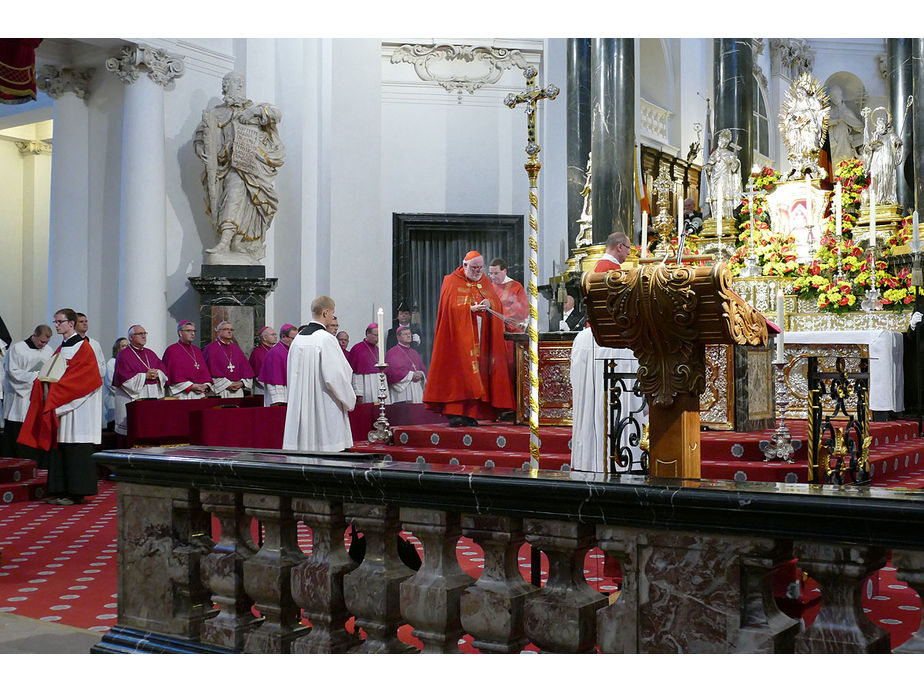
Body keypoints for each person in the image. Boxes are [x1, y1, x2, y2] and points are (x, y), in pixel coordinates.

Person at [194, 71, 286, 262]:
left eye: (240, 84)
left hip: (254, 166)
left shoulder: (254, 109)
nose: (237, 87)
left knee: (250, 205)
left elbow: (276, 113)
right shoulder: (217, 113)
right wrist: (200, 147)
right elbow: (202, 135)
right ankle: (225, 241)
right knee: (234, 195)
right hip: (231, 165)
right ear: (225, 88)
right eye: (232, 84)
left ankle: (236, 242)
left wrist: (253, 112)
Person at [18, 308, 102, 505]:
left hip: (77, 406)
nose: (56, 325)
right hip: (63, 403)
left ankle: (76, 492)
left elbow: (86, 379)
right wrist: (42, 383)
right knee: (61, 446)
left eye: (59, 322)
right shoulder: (62, 347)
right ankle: (61, 490)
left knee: (75, 448)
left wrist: (56, 393)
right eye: (55, 321)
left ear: (70, 323)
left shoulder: (83, 347)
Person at [423, 250, 514, 427]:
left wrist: (489, 303)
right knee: (459, 375)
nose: (478, 271)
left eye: (480, 268)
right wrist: (469, 310)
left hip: (481, 336)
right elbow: (449, 309)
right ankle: (456, 413)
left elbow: (495, 302)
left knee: (479, 374)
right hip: (458, 339)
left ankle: (472, 412)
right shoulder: (451, 281)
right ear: (465, 265)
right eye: (474, 268)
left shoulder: (484, 281)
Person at [283, 296, 356, 452]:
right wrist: (350, 400)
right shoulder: (326, 339)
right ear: (325, 313)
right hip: (324, 406)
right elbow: (335, 377)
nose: (332, 317)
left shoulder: (297, 340)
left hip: (301, 407)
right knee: (327, 452)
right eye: (332, 313)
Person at [2, 324, 53, 459]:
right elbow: (12, 372)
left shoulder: (49, 351)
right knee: (17, 437)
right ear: (34, 336)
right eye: (42, 341)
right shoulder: (18, 349)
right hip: (19, 398)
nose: (44, 345)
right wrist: (36, 377)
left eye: (47, 342)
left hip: (38, 398)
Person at [112, 325, 167, 437]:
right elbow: (123, 378)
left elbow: (163, 370)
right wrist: (144, 376)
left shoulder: (150, 353)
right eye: (140, 334)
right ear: (131, 337)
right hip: (134, 397)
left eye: (144, 333)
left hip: (151, 395)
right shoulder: (123, 355)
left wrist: (157, 374)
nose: (143, 336)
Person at [862, 107, 903, 206]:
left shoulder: (890, 135)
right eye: (879, 126)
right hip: (876, 161)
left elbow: (898, 142)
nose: (881, 127)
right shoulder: (875, 136)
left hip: (887, 159)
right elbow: (867, 150)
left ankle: (887, 198)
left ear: (885, 126)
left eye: (882, 126)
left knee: (887, 177)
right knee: (875, 176)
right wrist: (869, 148)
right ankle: (876, 199)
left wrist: (897, 143)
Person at [202, 321, 254, 398]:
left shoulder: (236, 348)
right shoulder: (211, 348)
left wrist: (242, 383)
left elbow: (246, 369)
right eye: (226, 329)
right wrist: (227, 384)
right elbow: (208, 370)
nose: (229, 331)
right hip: (221, 390)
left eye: (231, 329)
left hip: (237, 390)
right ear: (218, 332)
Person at [162, 322, 213, 399]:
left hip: (199, 394)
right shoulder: (172, 350)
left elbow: (204, 372)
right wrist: (191, 386)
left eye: (194, 331)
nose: (192, 333)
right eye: (188, 331)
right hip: (182, 395)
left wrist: (206, 385)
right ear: (180, 333)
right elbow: (172, 376)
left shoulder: (197, 350)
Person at [702, 129, 742, 220]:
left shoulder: (730, 154)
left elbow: (734, 169)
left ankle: (727, 215)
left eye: (725, 142)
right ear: (718, 141)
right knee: (715, 196)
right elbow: (710, 165)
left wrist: (734, 162)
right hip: (715, 178)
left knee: (726, 196)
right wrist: (708, 168)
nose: (722, 144)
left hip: (726, 178)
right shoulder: (714, 154)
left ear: (727, 143)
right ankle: (716, 216)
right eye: (721, 141)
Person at [385, 325, 428, 403]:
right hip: (403, 390)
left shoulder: (414, 352)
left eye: (409, 334)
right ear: (398, 337)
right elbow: (392, 373)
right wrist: (411, 375)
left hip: (416, 389)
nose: (409, 336)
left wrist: (421, 374)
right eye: (405, 334)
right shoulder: (392, 353)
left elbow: (422, 369)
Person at [259, 323, 297, 405]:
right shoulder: (275, 353)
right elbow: (275, 381)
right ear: (283, 337)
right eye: (293, 338)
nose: (295, 341)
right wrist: (279, 401)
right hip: (281, 395)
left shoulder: (292, 350)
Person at [349, 323, 387, 404]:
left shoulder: (378, 349)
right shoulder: (357, 349)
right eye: (375, 335)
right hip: (367, 387)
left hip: (379, 387)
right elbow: (356, 374)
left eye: (379, 335)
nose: (378, 338)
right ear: (367, 334)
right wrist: (359, 394)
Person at [104, 337, 128, 429]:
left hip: (128, 402)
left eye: (127, 346)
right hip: (114, 404)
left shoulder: (129, 363)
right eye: (123, 346)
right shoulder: (112, 363)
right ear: (117, 349)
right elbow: (112, 384)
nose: (126, 348)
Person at [75, 312, 106, 382]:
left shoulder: (95, 343)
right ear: (74, 324)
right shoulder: (71, 343)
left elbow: (102, 365)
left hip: (95, 382)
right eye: (81, 322)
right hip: (79, 382)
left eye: (86, 321)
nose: (85, 323)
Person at [248, 326, 277, 396]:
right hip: (262, 390)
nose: (275, 337)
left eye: (275, 334)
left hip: (278, 388)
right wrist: (273, 387)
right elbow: (257, 375)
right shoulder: (257, 353)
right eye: (272, 335)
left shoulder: (276, 351)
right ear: (264, 338)